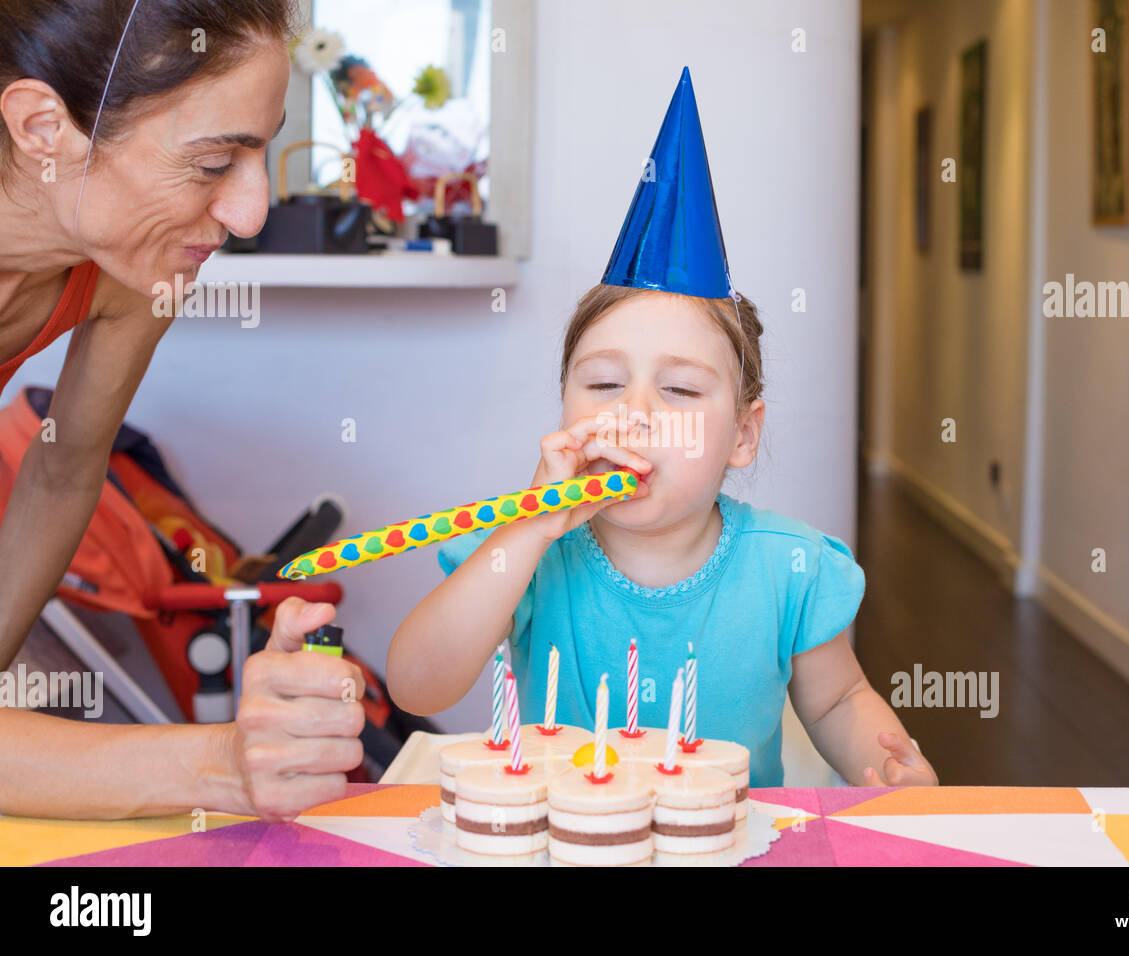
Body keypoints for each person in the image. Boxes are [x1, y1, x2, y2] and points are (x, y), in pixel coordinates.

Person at [386, 69, 937, 789]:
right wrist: (525, 531)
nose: (634, 412)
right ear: (563, 409)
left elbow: (837, 699)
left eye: (678, 389)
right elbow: (416, 687)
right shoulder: (524, 554)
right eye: (604, 384)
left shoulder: (789, 568)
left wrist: (887, 761)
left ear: (743, 435)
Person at [0, 0, 363, 820]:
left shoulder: (136, 264)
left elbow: (64, 468)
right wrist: (222, 765)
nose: (249, 213)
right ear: (40, 127)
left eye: (259, 153)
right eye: (210, 164)